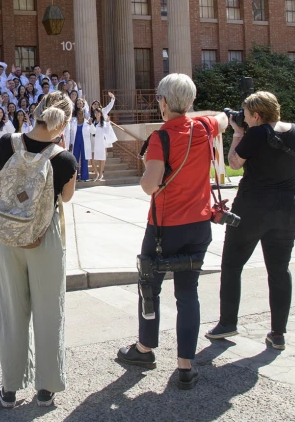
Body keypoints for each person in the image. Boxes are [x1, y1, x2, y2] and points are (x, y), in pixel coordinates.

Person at [116, 73, 228, 390]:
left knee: (150, 287)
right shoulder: (205, 126)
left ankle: (145, 349)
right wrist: (189, 112)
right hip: (198, 225)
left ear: (163, 102)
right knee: (187, 293)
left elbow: (149, 185)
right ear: (190, 102)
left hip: (165, 228)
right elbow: (223, 119)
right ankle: (185, 367)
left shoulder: (160, 138)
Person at [0, 91, 77, 408]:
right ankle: (46, 388)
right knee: (49, 310)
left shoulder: (6, 144)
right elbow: (66, 199)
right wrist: (60, 151)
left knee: (13, 311)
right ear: (63, 122)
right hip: (45, 236)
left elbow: (5, 185)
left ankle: (10, 389)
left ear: (36, 111)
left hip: (9, 234)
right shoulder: (63, 158)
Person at [206, 91, 295, 351]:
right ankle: (278, 334)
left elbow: (234, 163)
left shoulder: (255, 133)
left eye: (245, 115)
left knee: (232, 264)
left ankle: (227, 323)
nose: (243, 119)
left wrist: (237, 132)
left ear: (256, 115)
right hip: (287, 210)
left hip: (252, 209)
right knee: (279, 269)